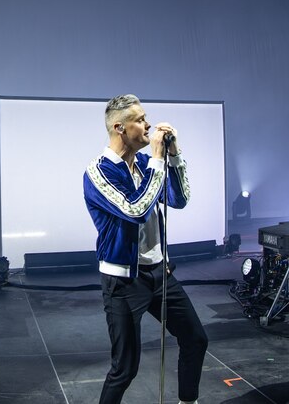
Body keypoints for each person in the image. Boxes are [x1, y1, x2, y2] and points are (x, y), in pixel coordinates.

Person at [83, 94, 207, 404]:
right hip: (124, 282)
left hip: (160, 273)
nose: (148, 124)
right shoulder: (98, 173)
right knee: (125, 369)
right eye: (139, 119)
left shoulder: (143, 163)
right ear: (119, 127)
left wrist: (174, 156)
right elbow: (136, 209)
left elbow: (179, 199)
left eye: (145, 117)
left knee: (195, 339)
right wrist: (156, 158)